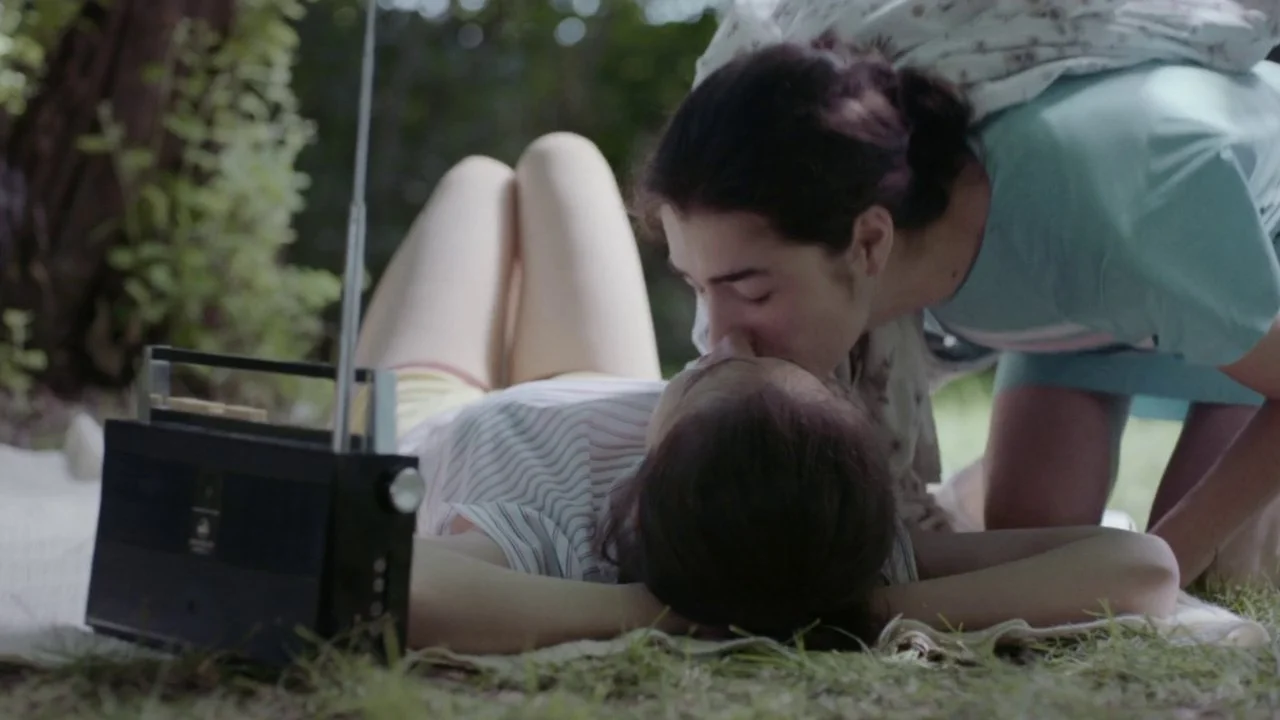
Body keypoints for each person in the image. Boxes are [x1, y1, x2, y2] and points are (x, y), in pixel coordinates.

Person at [351, 132, 1178, 656]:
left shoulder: (554, 536)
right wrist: (856, 607)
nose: (725, 343)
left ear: (649, 471)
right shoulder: (834, 542)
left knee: (478, 181)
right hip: (589, 384)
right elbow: (1139, 566)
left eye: (709, 376)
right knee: (562, 157)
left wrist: (661, 616)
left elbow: (393, 582)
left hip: (447, 420)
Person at [638, 41, 1280, 587]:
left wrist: (1164, 565)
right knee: (1033, 526)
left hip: (1239, 249)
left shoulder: (1105, 220)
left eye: (752, 292)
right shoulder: (904, 230)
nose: (717, 339)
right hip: (1097, 302)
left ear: (869, 242)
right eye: (697, 287)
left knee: (1209, 573)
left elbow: (1152, 576)